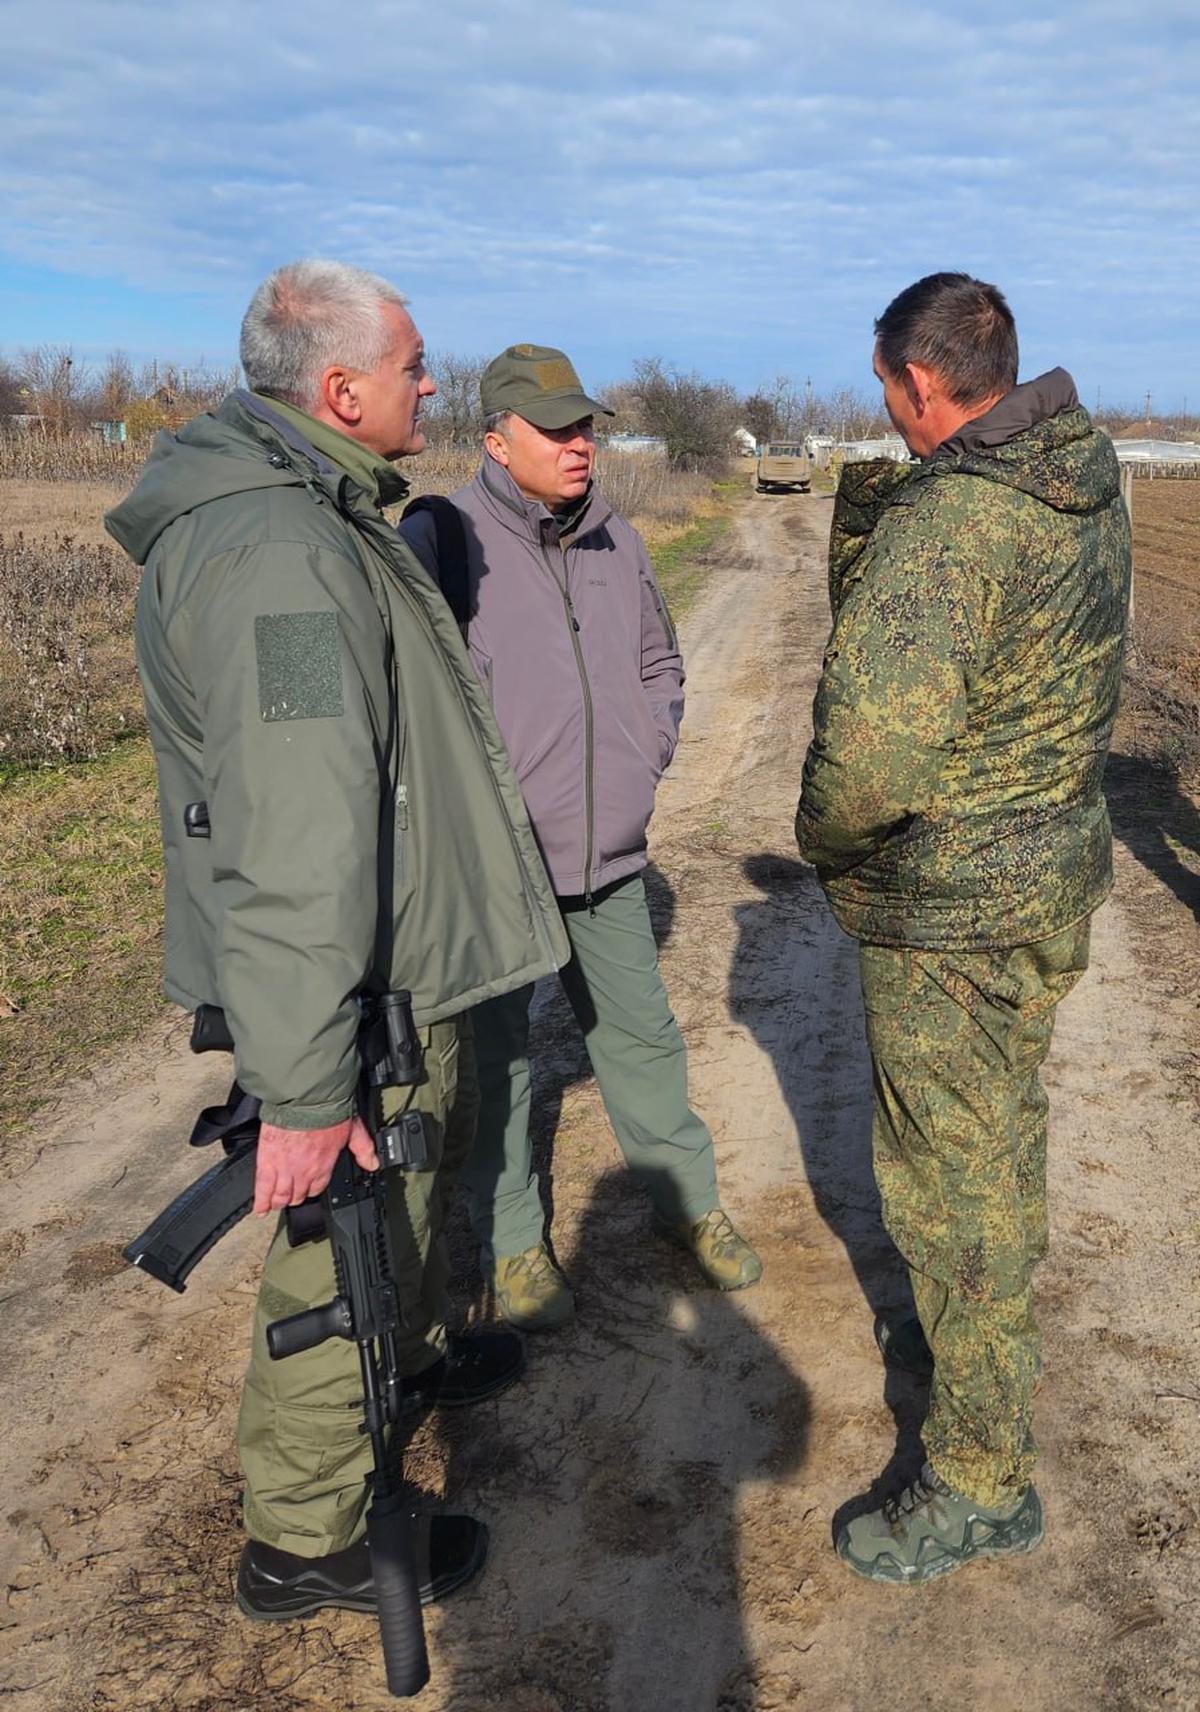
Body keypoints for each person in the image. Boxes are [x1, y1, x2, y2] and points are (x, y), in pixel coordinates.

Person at [105, 262, 568, 1619]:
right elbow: (300, 824)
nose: (434, 381)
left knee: (409, 1201)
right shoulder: (280, 554)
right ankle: (302, 1533)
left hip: (388, 962)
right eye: (416, 363)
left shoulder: (313, 513)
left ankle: (409, 1361)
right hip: (349, 980)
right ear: (340, 387)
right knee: (336, 1238)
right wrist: (306, 1086)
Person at [795, 273, 1131, 1583]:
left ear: (924, 385)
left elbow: (868, 763)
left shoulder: (959, 523)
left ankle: (983, 1479)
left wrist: (828, 845)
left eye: (887, 388)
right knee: (999, 1152)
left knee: (954, 1197)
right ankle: (974, 1369)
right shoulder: (1082, 474)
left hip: (951, 917)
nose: (884, 411)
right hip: (1041, 888)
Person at [400, 343, 761, 1331]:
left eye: (586, 425)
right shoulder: (441, 538)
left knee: (642, 1036)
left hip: (606, 857)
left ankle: (688, 1206)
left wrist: (648, 748)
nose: (580, 443)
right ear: (496, 438)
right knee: (502, 1065)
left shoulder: (619, 540)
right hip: (497, 869)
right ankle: (516, 1243)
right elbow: (418, 709)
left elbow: (659, 661)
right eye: (556, 427)